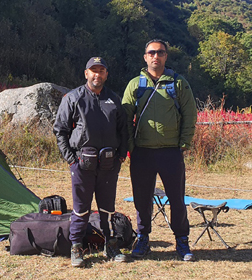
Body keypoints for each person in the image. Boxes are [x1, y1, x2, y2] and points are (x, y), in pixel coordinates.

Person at [122, 39, 197, 261]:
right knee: (142, 199)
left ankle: (182, 241)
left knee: (176, 199)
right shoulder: (135, 84)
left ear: (166, 56)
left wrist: (183, 144)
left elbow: (190, 115)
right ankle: (143, 239)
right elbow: (125, 118)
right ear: (145, 57)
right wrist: (131, 147)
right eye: (152, 52)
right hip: (142, 152)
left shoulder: (178, 83)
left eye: (160, 52)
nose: (156, 56)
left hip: (171, 152)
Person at [53, 57, 128, 267]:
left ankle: (111, 246)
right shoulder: (73, 97)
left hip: (109, 164)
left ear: (106, 74)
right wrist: (70, 158)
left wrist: (122, 154)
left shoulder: (114, 99)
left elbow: (123, 130)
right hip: (81, 164)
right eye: (93, 70)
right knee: (81, 208)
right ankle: (76, 248)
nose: (97, 74)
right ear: (86, 73)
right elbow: (60, 130)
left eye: (101, 70)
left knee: (107, 208)